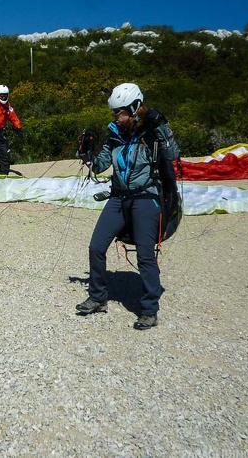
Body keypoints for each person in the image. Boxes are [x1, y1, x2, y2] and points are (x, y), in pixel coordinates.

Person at [75, 82, 179, 330]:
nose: (115, 117)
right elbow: (100, 165)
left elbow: (173, 154)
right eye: (113, 112)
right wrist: (85, 152)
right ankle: (98, 297)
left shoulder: (152, 131)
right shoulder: (114, 134)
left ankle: (149, 309)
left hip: (146, 196)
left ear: (134, 108)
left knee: (145, 253)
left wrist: (163, 125)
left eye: (119, 112)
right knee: (96, 246)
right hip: (119, 197)